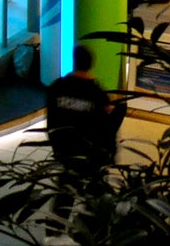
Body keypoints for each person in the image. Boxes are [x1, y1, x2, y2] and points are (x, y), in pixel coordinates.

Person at [45, 44, 125, 227]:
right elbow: (105, 129)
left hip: (66, 153)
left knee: (63, 197)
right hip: (90, 158)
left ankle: (54, 233)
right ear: (91, 64)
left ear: (74, 61)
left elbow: (52, 120)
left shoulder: (57, 87)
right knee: (95, 201)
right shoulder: (97, 94)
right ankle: (91, 231)